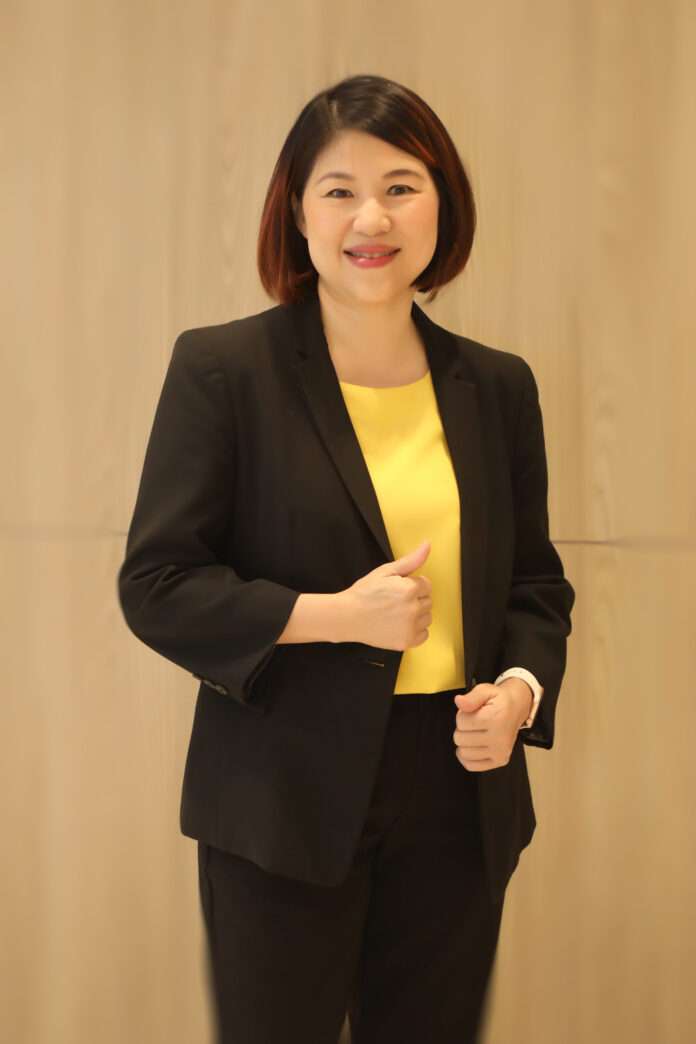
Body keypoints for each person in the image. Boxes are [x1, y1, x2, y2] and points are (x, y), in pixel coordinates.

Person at [117, 73, 575, 1044]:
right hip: (283, 794)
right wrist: (333, 616)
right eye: (340, 190)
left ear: (443, 204)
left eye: (402, 186)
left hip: (458, 790)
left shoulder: (497, 387)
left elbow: (535, 583)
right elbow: (158, 584)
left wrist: (520, 692)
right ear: (298, 212)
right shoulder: (224, 370)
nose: (373, 217)